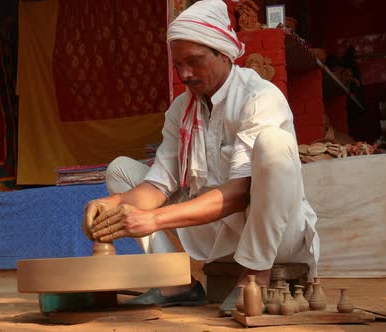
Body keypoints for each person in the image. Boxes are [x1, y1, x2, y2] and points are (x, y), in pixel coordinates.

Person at [82, 0, 320, 316]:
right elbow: (157, 187)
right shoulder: (181, 109)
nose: (184, 74)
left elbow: (239, 194)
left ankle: (254, 275)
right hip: (214, 232)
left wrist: (152, 219)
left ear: (223, 53)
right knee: (121, 170)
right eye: (178, 64)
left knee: (274, 145)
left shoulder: (260, 98)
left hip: (274, 233)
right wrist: (112, 205)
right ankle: (174, 284)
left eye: (194, 61)